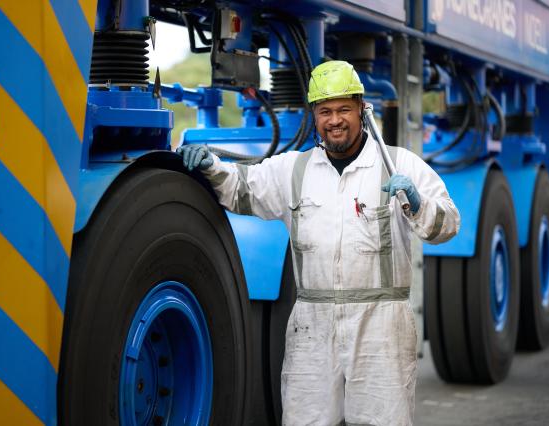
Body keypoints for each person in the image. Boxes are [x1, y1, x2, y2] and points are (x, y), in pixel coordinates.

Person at [177, 60, 460, 426]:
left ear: (362, 109)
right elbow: (242, 188)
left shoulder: (399, 165)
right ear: (314, 116)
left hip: (381, 329)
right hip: (312, 327)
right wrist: (209, 166)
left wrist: (418, 205)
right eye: (325, 111)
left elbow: (449, 223)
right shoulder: (294, 170)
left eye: (344, 109)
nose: (335, 120)